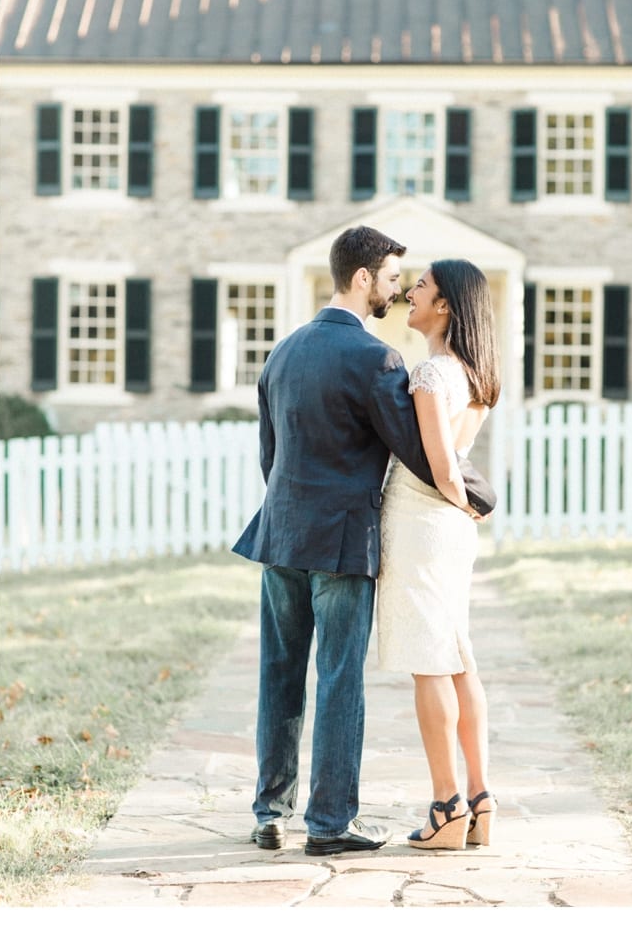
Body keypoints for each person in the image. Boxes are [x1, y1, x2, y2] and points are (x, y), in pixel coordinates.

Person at [232, 226, 495, 857]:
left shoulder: (283, 351)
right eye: (392, 279)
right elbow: (422, 453)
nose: (397, 291)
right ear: (362, 279)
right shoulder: (377, 359)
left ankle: (270, 813)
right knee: (340, 678)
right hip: (344, 543)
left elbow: (269, 455)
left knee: (279, 674)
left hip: (281, 534)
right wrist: (479, 496)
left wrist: (294, 509)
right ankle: (327, 825)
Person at [376, 260, 500, 850]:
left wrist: (462, 502)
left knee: (431, 662)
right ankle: (480, 798)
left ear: (445, 305)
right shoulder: (474, 376)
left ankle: (446, 806)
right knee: (458, 658)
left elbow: (443, 467)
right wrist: (469, 511)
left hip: (423, 521)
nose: (409, 292)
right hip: (452, 532)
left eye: (420, 286)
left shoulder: (430, 374)